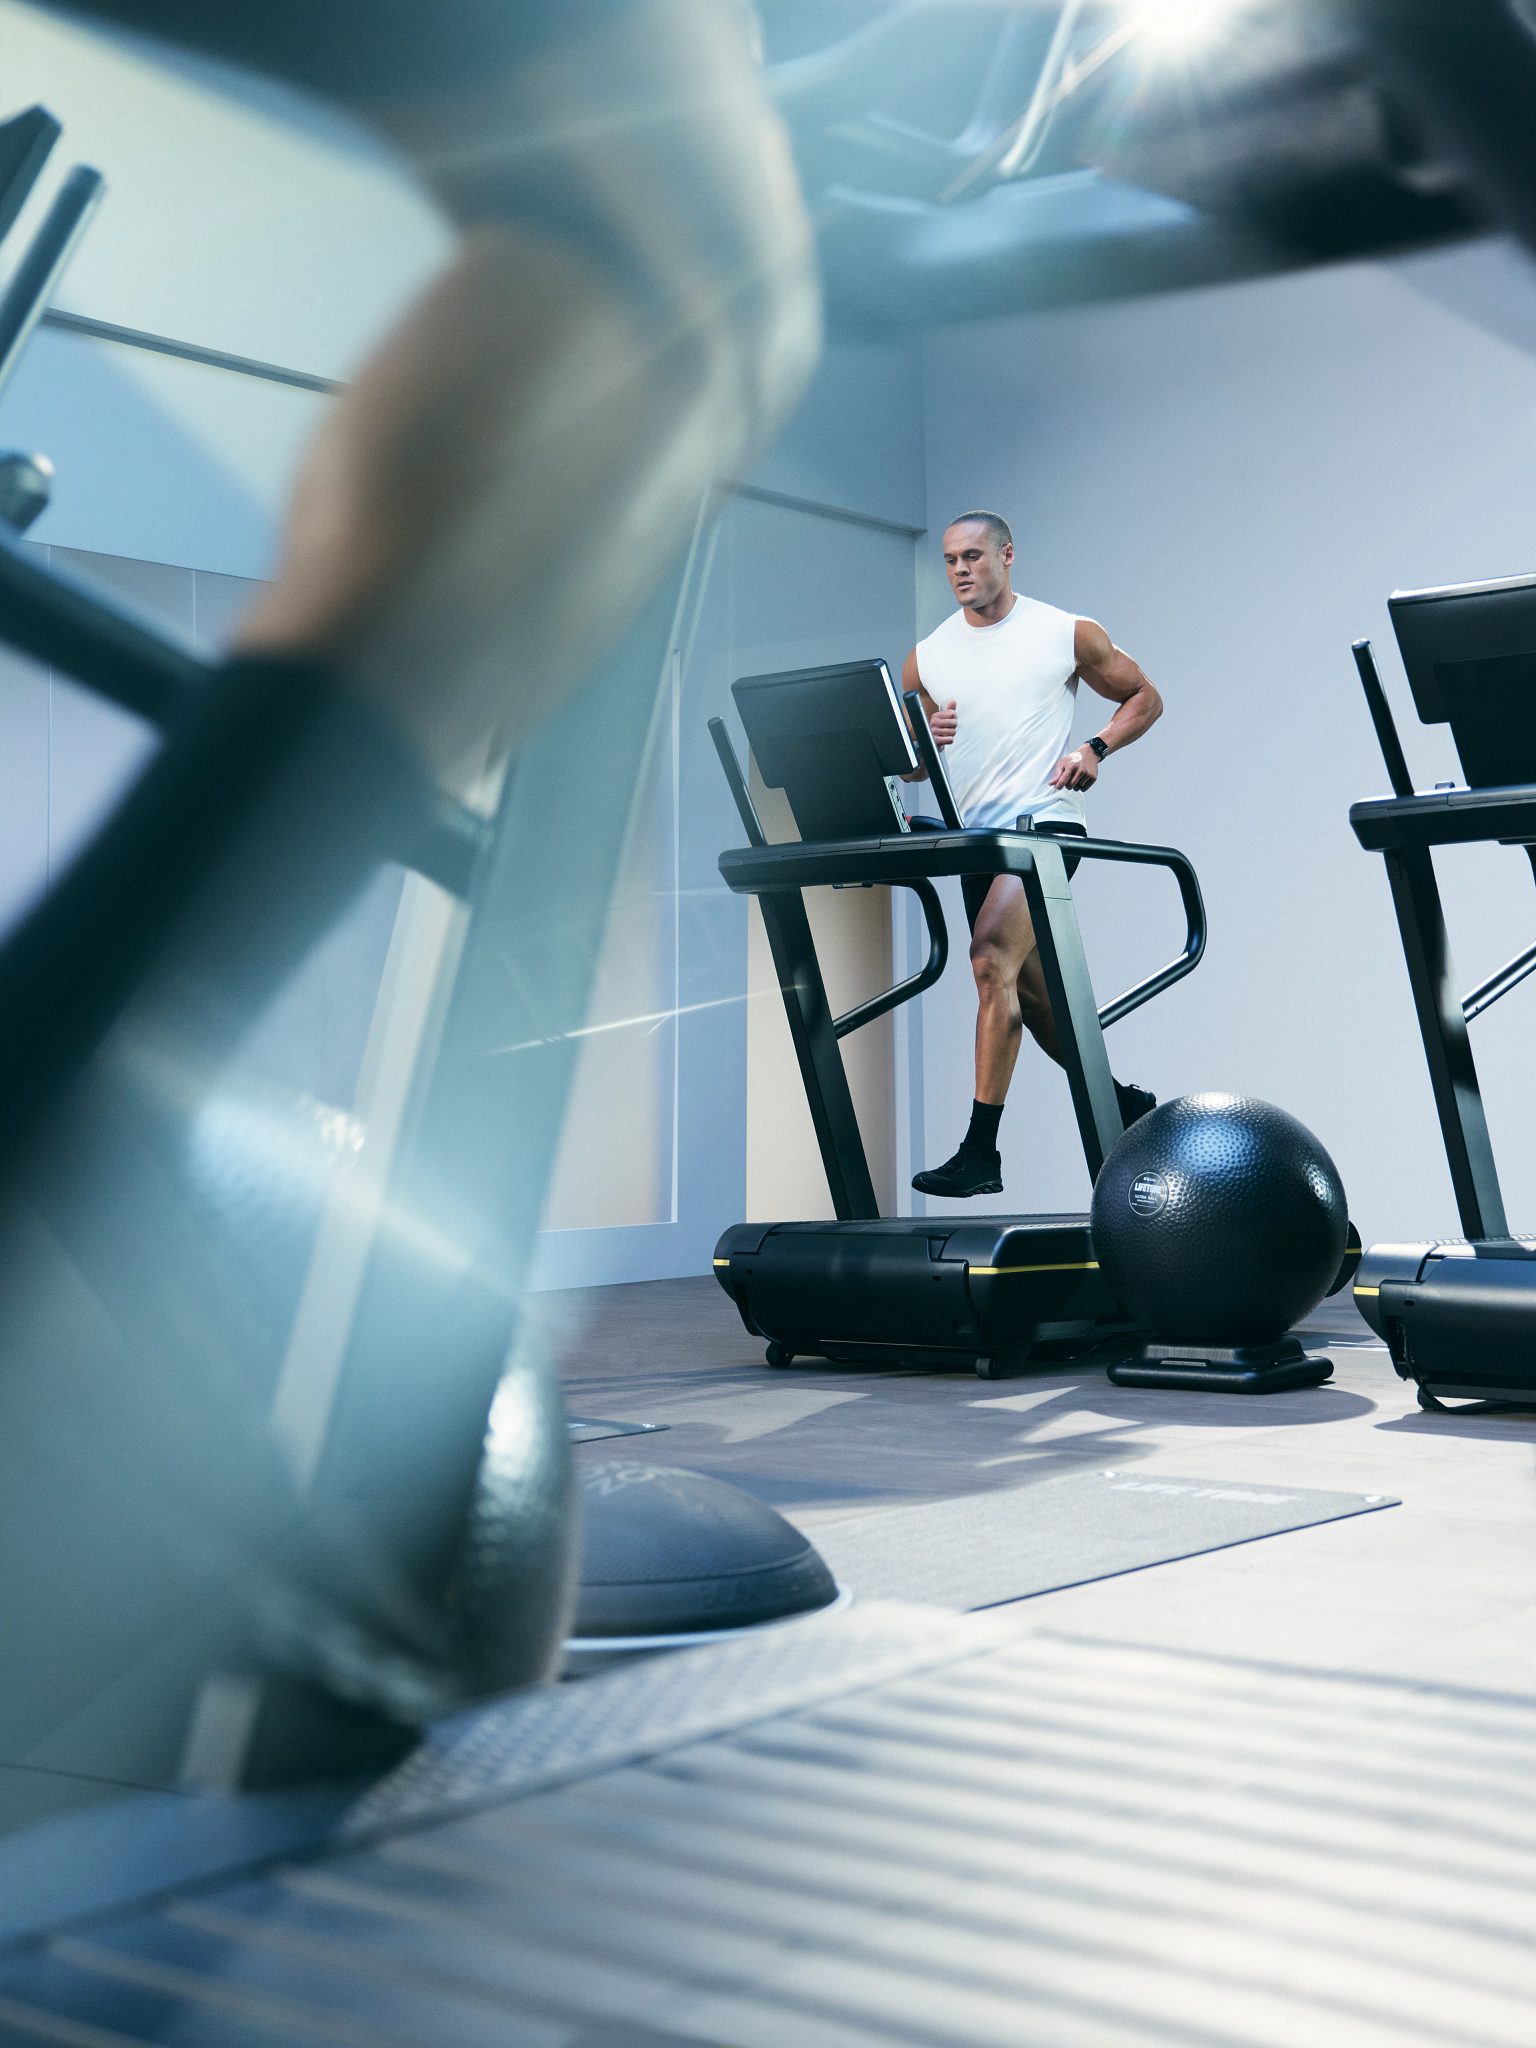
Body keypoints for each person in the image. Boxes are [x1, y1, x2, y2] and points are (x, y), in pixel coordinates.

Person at [904, 510, 1162, 1199]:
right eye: (951, 560)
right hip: (975, 839)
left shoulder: (1062, 632)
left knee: (989, 958)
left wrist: (1095, 748)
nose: (960, 569)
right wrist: (923, 734)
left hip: (1044, 827)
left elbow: (1144, 695)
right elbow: (906, 763)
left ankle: (980, 1151)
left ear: (1006, 555)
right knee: (1034, 997)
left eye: (973, 556)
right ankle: (1123, 1102)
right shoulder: (929, 655)